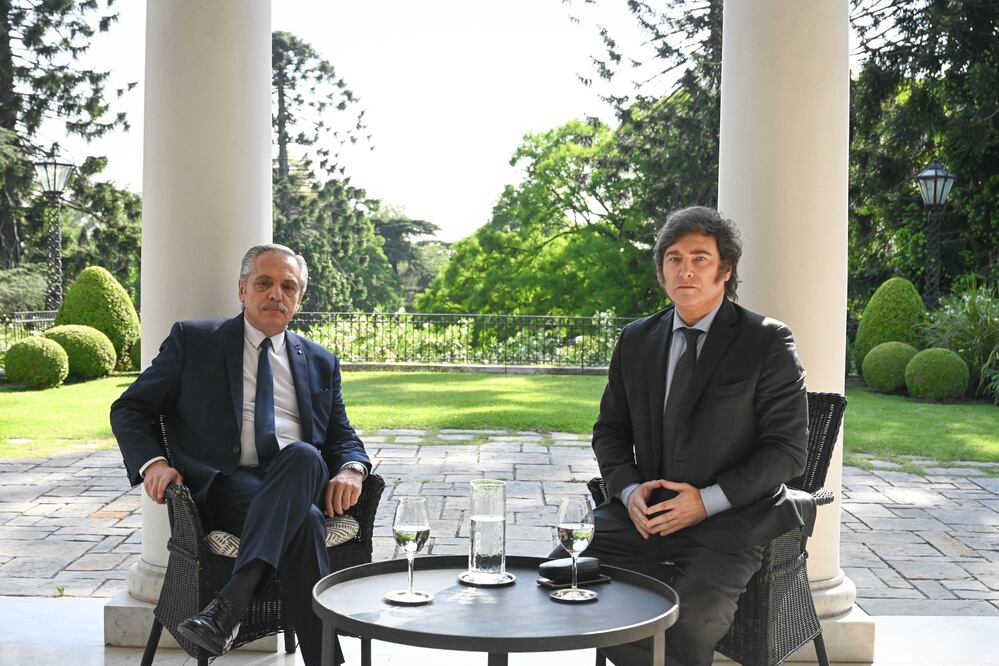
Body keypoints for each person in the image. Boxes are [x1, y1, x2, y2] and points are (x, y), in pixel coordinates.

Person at [111, 244, 370, 666]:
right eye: (264, 283)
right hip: (228, 487)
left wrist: (354, 469)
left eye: (288, 286)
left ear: (299, 298)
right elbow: (130, 408)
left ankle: (226, 609)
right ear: (242, 289)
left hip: (300, 477)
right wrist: (154, 463)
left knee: (303, 456)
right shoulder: (195, 341)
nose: (276, 294)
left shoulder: (320, 361)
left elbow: (342, 434)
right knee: (303, 521)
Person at [581, 206, 809, 666]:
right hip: (644, 518)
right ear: (662, 269)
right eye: (674, 258)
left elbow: (787, 451)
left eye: (700, 258)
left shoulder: (766, 341)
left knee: (687, 623)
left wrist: (704, 502)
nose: (685, 269)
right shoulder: (636, 339)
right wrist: (627, 492)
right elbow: (609, 431)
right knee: (558, 584)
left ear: (725, 270)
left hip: (730, 522)